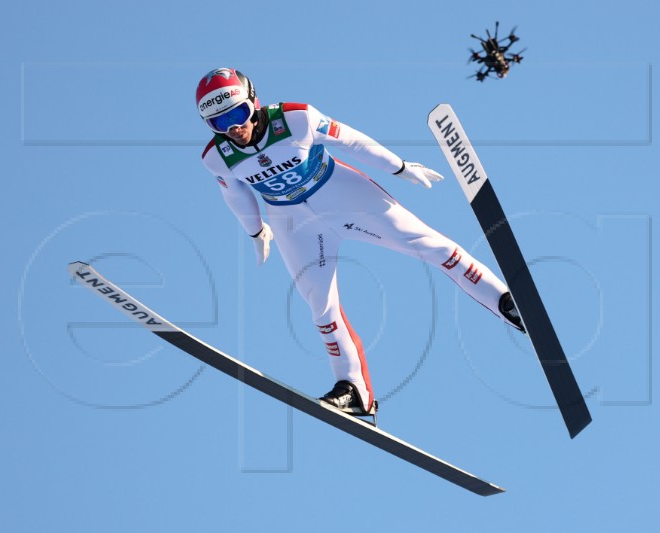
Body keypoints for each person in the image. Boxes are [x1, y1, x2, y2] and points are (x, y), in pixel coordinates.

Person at [197, 67, 524, 420]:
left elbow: (352, 141)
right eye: (219, 123)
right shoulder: (217, 157)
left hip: (342, 194)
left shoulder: (296, 119)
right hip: (294, 223)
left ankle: (507, 302)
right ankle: (354, 391)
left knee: (430, 245)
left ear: (253, 102)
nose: (234, 129)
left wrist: (399, 167)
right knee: (320, 307)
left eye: (237, 114)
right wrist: (256, 232)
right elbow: (237, 195)